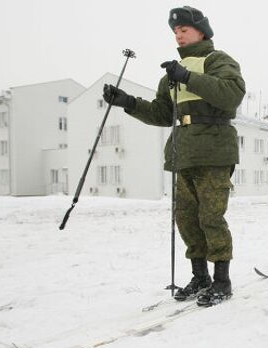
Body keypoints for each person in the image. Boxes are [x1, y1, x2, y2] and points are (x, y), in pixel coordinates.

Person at [102, 6, 246, 307]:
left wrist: (188, 77)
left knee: (211, 218)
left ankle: (222, 281)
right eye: (175, 32)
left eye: (184, 30)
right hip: (184, 152)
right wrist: (127, 102)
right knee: (186, 219)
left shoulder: (216, 60)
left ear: (201, 31)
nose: (178, 36)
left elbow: (231, 93)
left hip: (214, 150)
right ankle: (200, 276)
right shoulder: (171, 74)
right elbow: (161, 113)